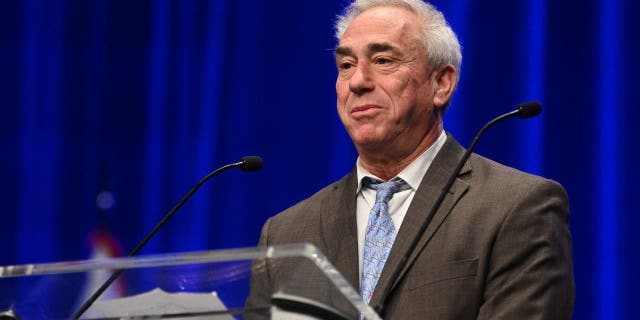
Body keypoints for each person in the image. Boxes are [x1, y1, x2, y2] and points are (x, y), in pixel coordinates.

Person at [247, 0, 574, 318]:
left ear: (441, 83)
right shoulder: (286, 234)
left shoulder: (516, 207)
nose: (358, 81)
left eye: (383, 60)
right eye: (346, 65)